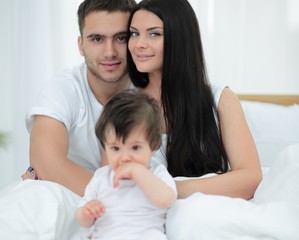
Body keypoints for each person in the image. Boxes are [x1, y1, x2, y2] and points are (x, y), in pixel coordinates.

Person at [126, 0, 262, 200]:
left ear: (180, 38)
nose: (139, 44)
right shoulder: (125, 106)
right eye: (134, 33)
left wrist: (170, 189)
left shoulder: (221, 100)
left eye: (154, 33)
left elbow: (250, 178)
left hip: (201, 216)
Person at [22, 0, 137, 196]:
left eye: (120, 38)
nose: (110, 52)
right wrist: (117, 201)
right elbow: (46, 163)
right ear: (81, 45)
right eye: (97, 39)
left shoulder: (151, 90)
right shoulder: (63, 89)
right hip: (74, 199)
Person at [76, 90, 177, 240]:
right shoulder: (102, 177)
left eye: (135, 148)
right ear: (105, 146)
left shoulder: (156, 174)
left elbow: (166, 199)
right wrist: (87, 212)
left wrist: (137, 171)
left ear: (154, 145)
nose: (125, 158)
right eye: (115, 148)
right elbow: (81, 219)